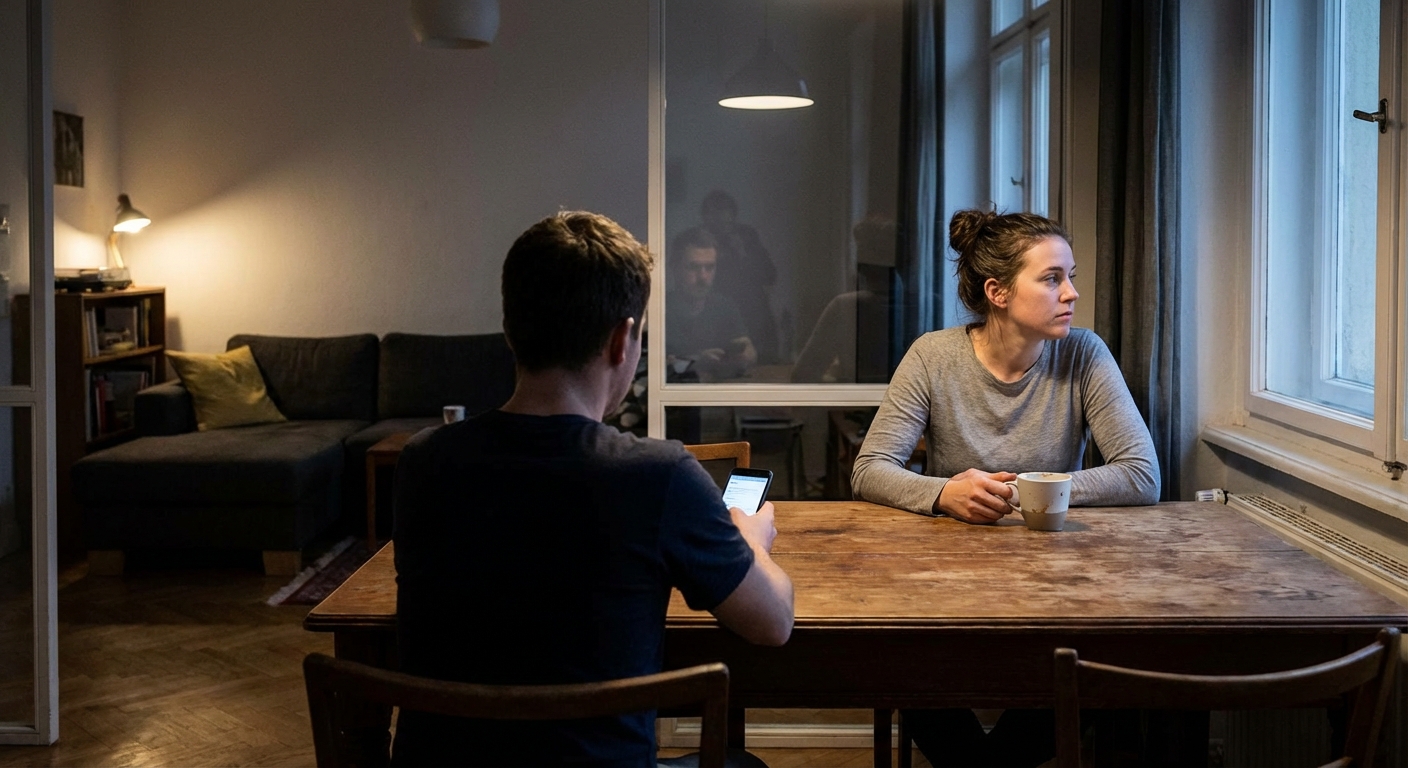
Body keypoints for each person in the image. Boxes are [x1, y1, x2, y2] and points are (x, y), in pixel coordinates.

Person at [391, 211, 794, 768]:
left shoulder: (422, 462)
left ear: (510, 330)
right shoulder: (659, 476)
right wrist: (749, 537)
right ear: (623, 340)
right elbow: (773, 622)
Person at [851, 208, 1159, 767]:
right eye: (1052, 278)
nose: (1072, 293)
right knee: (903, 661)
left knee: (1099, 665)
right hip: (947, 585)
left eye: (1071, 275)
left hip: (1058, 584)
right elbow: (870, 467)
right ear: (997, 291)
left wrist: (1029, 490)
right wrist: (943, 493)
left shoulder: (1084, 353)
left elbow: (1140, 473)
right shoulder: (933, 356)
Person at [666, 226, 757, 381]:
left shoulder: (724, 306)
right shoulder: (660, 310)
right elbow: (655, 367)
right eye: (693, 267)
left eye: (709, 267)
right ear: (675, 268)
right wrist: (698, 362)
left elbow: (749, 350)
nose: (703, 277)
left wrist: (744, 356)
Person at [700, 191, 780, 364]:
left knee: (765, 361)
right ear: (707, 218)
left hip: (754, 312)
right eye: (717, 218)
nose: (724, 225)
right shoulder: (700, 241)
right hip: (717, 315)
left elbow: (769, 275)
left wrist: (742, 253)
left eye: (728, 219)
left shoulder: (746, 236)